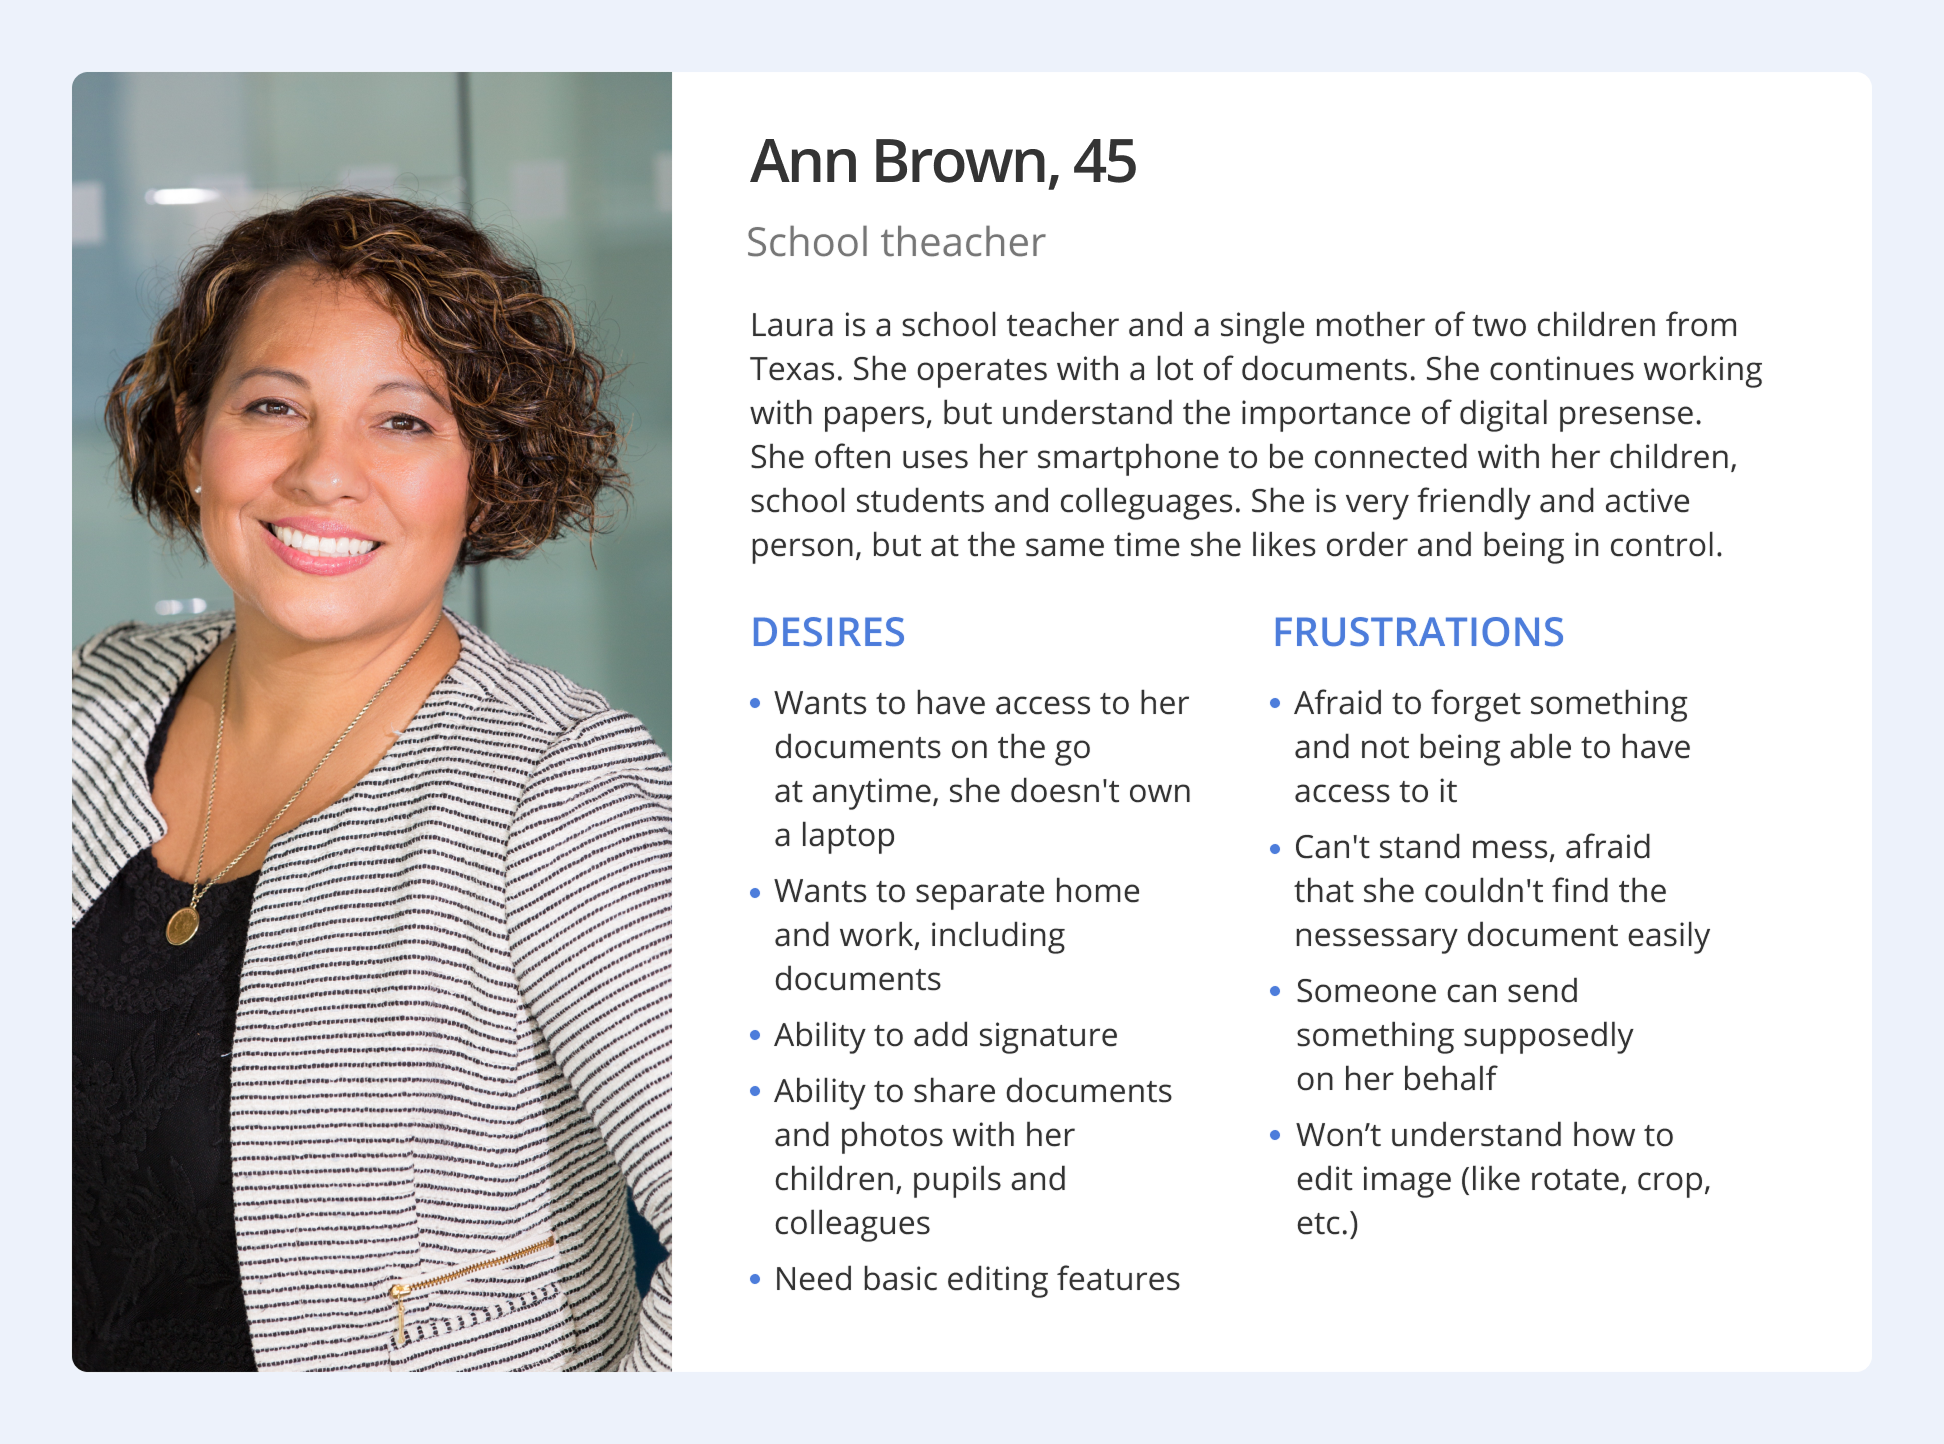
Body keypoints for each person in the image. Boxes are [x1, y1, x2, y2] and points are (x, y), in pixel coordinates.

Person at [71, 194, 672, 1371]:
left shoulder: (556, 792)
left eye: (401, 422)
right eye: (272, 406)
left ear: (483, 478)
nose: (323, 471)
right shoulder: (84, 701)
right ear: (194, 442)